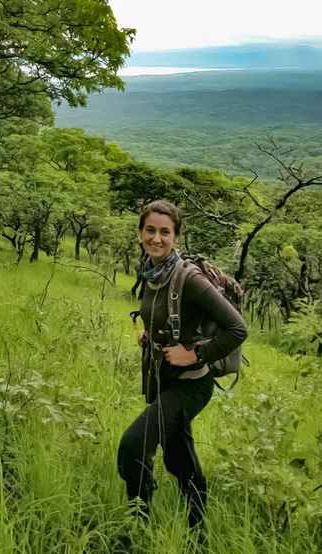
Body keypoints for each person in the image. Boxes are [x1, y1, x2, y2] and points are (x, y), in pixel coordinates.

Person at [117, 200, 248, 530]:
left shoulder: (190, 279)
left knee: (133, 445)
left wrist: (195, 354)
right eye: (150, 230)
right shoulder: (151, 271)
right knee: (179, 459)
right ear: (140, 233)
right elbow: (166, 315)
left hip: (191, 382)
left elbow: (237, 329)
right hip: (163, 377)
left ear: (176, 236)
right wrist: (151, 336)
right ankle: (197, 529)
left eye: (165, 232)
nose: (156, 239)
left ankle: (138, 522)